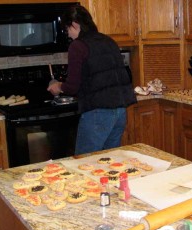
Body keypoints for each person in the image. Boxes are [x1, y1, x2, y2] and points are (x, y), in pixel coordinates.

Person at [47, 5, 137, 155]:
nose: (68, 34)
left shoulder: (78, 46)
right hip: (120, 111)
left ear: (75, 24)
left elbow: (72, 86)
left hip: (98, 113)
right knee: (110, 161)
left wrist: (58, 86)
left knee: (84, 162)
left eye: (67, 29)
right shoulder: (108, 40)